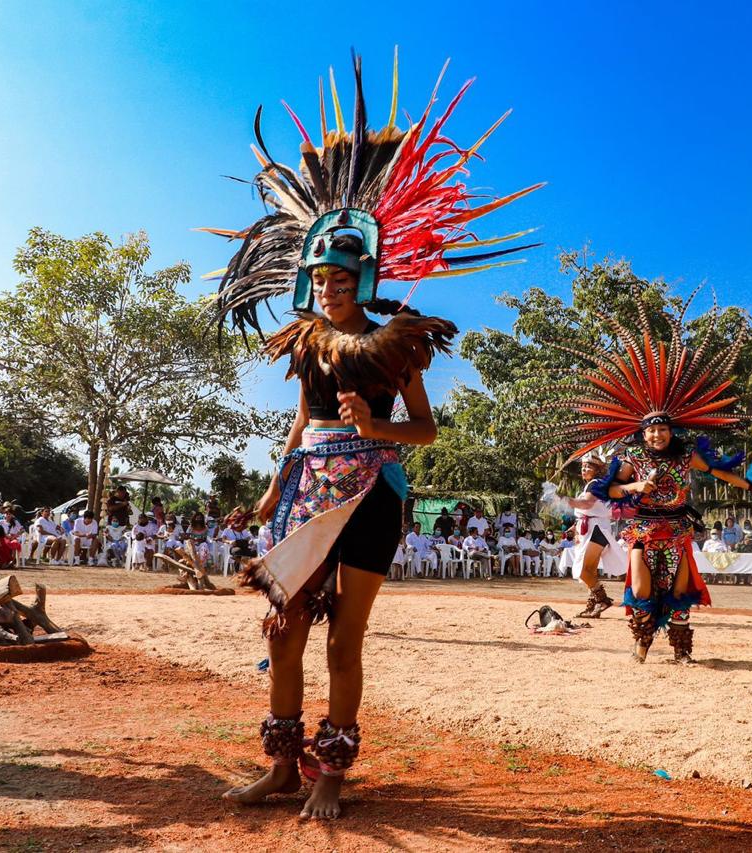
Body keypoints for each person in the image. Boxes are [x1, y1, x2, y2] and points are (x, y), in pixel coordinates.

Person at [217, 52, 536, 819]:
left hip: (372, 495)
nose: (326, 286)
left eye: (338, 277)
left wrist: (377, 424)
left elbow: (424, 430)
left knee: (342, 640)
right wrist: (269, 489)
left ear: (360, 278)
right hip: (305, 489)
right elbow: (299, 419)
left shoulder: (399, 342)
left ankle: (331, 769)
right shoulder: (305, 343)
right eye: (317, 277)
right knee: (285, 626)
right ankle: (282, 766)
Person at [546, 292, 752, 664]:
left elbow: (721, 472)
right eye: (650, 431)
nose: (656, 435)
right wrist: (633, 486)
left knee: (681, 592)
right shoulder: (630, 457)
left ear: (670, 431)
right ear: (642, 433)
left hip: (677, 531)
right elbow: (610, 489)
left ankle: (681, 651)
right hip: (643, 531)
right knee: (642, 589)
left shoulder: (685, 455)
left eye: (661, 430)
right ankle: (642, 643)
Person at [566, 453, 623, 618]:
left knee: (584, 571)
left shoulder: (595, 484)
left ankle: (602, 600)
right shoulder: (591, 485)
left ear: (597, 470)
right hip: (593, 529)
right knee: (589, 571)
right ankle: (594, 605)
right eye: (583, 466)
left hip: (597, 530)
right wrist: (574, 527)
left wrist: (564, 500)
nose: (584, 469)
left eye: (589, 466)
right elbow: (587, 510)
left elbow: (587, 504)